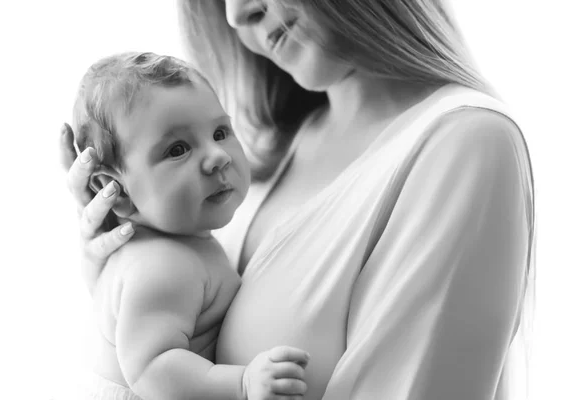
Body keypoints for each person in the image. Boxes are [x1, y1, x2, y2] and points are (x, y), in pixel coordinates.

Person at [60, 1, 536, 399]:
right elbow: (156, 350)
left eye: (217, 133)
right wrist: (113, 265)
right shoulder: (263, 150)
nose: (236, 12)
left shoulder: (465, 144)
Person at [71, 51, 310, 400]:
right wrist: (242, 383)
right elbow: (152, 368)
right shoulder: (160, 265)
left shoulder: (177, 243)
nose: (218, 157)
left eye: (219, 132)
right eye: (178, 149)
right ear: (117, 191)